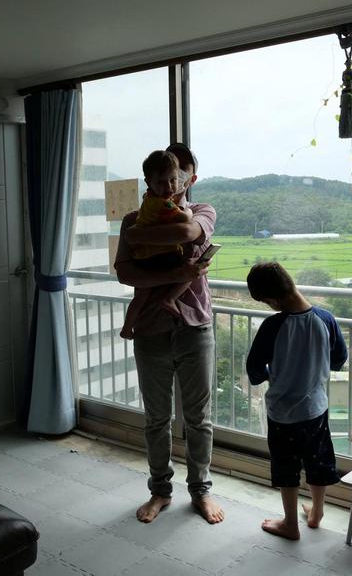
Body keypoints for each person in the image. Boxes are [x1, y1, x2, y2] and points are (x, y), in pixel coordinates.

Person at [114, 143, 224, 524]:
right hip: (150, 328)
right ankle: (160, 491)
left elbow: (188, 229)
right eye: (165, 178)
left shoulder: (202, 210)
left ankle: (201, 491)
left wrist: (145, 241)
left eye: (179, 177)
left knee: (199, 418)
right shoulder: (132, 220)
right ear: (152, 180)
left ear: (186, 179)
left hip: (196, 325)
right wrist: (176, 273)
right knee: (157, 418)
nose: (173, 184)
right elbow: (126, 272)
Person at [245, 261, 348, 540]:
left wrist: (271, 376)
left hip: (282, 413)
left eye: (267, 302)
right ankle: (316, 513)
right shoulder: (326, 319)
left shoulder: (272, 326)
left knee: (286, 466)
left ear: (273, 298)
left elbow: (254, 368)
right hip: (315, 408)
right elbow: (339, 359)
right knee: (317, 461)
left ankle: (291, 523)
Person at [120, 150, 198, 340]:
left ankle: (127, 327)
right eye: (162, 182)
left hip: (145, 256)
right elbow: (185, 226)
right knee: (193, 268)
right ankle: (170, 298)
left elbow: (132, 236)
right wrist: (187, 212)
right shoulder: (164, 205)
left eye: (174, 179)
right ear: (149, 182)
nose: (170, 186)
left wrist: (136, 235)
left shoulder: (149, 199)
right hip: (161, 255)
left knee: (141, 294)